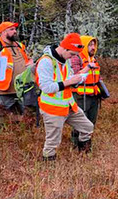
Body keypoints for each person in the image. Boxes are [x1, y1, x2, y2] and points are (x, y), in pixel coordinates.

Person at [36, 33, 94, 161]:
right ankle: (48, 170)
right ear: (64, 48)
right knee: (53, 142)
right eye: (72, 54)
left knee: (88, 128)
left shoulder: (65, 60)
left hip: (69, 105)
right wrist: (69, 82)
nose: (73, 58)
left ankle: (84, 155)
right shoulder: (46, 62)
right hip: (53, 109)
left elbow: (68, 78)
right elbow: (46, 87)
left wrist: (77, 79)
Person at [0, 21, 32, 132]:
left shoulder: (20, 45)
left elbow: (27, 61)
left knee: (23, 116)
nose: (15, 32)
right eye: (11, 29)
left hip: (21, 89)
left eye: (15, 29)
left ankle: (18, 139)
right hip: (2, 89)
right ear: (3, 32)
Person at [69, 36, 100, 148]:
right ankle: (76, 144)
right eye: (90, 45)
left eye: (94, 45)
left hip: (94, 95)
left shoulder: (93, 59)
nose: (93, 47)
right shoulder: (76, 58)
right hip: (80, 96)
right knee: (80, 121)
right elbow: (75, 76)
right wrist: (87, 67)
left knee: (91, 121)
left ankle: (86, 145)